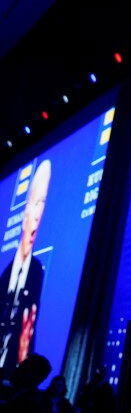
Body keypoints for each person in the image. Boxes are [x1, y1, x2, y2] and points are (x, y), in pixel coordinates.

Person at [0, 160, 49, 378]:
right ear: (24, 211)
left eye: (43, 203)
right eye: (35, 203)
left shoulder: (37, 271)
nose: (38, 214)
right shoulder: (6, 274)